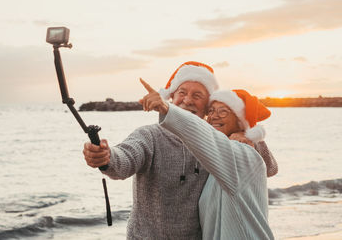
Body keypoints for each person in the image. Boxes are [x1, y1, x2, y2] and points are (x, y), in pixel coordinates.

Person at [83, 61, 273, 239]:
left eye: (197, 95)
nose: (187, 100)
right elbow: (124, 160)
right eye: (181, 92)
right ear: (171, 97)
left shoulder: (222, 143)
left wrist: (250, 137)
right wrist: (107, 157)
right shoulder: (150, 136)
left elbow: (268, 167)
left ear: (207, 107)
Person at [139, 79, 275, 239]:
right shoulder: (218, 162)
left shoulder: (243, 156)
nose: (214, 117)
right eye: (211, 111)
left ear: (240, 121)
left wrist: (167, 109)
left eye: (223, 111)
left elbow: (199, 134)